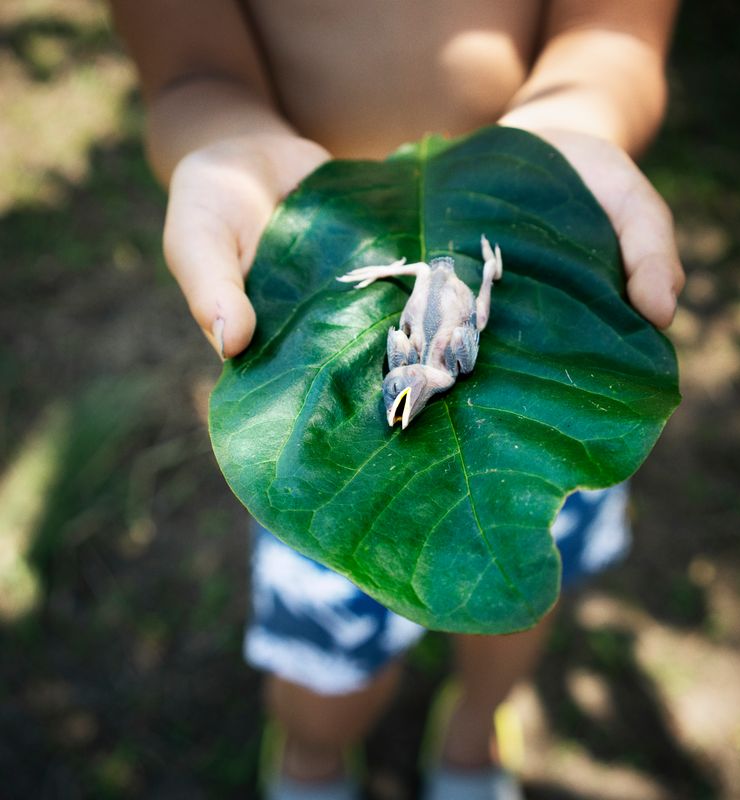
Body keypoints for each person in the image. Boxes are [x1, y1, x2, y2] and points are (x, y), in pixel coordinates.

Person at [110, 2, 684, 798]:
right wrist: (221, 143)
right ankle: (312, 754)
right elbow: (190, 76)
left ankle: (475, 734)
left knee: (519, 578)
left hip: (534, 352)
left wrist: (566, 133)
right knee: (326, 667)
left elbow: (613, 41)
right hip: (326, 263)